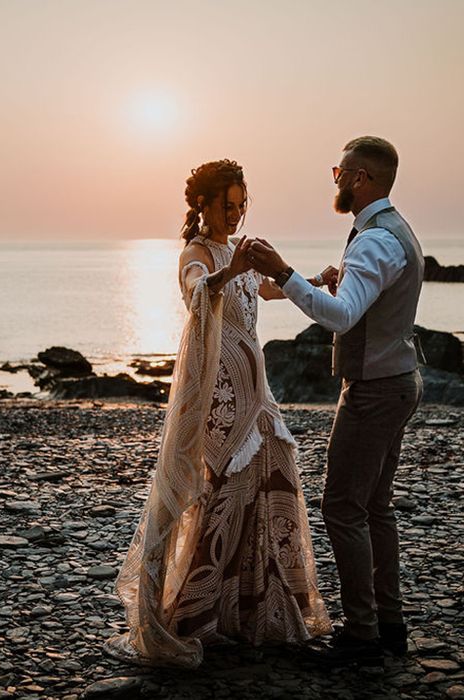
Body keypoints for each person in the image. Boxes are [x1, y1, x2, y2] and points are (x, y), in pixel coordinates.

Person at [103, 160, 332, 670]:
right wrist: (233, 269)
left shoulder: (235, 252)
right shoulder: (197, 253)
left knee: (273, 487)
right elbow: (198, 292)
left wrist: (315, 280)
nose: (234, 214)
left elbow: (263, 291)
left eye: (241, 205)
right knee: (223, 500)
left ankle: (260, 613)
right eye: (226, 205)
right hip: (221, 402)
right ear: (202, 204)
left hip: (260, 395)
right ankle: (197, 614)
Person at [248, 136, 424, 666]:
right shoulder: (392, 232)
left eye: (340, 171)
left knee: (343, 507)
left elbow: (343, 316)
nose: (335, 179)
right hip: (398, 379)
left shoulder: (374, 240)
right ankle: (388, 626)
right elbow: (352, 300)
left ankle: (362, 637)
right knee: (374, 506)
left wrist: (283, 272)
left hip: (373, 390)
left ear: (361, 178)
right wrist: (309, 280)